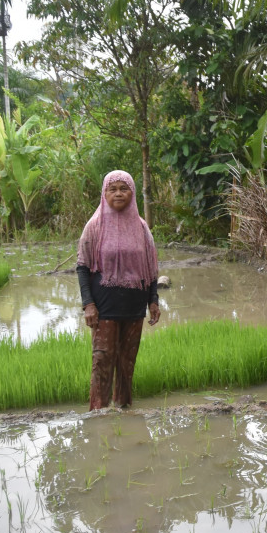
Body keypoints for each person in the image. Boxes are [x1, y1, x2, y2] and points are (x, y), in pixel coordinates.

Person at [77, 170, 161, 410]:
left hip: (134, 307)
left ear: (132, 193)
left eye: (124, 189)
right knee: (102, 360)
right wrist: (88, 304)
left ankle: (124, 410)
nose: (118, 193)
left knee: (127, 364)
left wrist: (153, 301)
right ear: (104, 194)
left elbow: (150, 268)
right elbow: (82, 267)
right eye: (112, 189)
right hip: (104, 307)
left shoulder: (141, 227)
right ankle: (99, 414)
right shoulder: (95, 226)